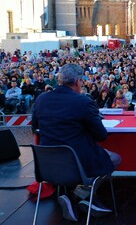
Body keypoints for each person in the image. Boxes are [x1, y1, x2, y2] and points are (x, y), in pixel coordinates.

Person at [31, 64, 121, 221]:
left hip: (47, 165)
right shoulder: (82, 102)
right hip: (77, 163)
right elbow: (101, 136)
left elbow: (35, 127)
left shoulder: (41, 99)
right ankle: (82, 193)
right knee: (115, 158)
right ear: (79, 81)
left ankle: (71, 195)